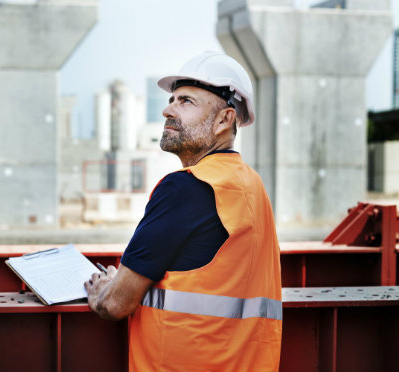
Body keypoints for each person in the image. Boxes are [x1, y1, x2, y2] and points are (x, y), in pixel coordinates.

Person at [84, 52, 282, 372]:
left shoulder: (185, 189)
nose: (167, 110)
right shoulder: (251, 186)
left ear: (224, 120)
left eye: (185, 101)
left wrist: (103, 290)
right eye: (172, 99)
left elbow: (115, 304)